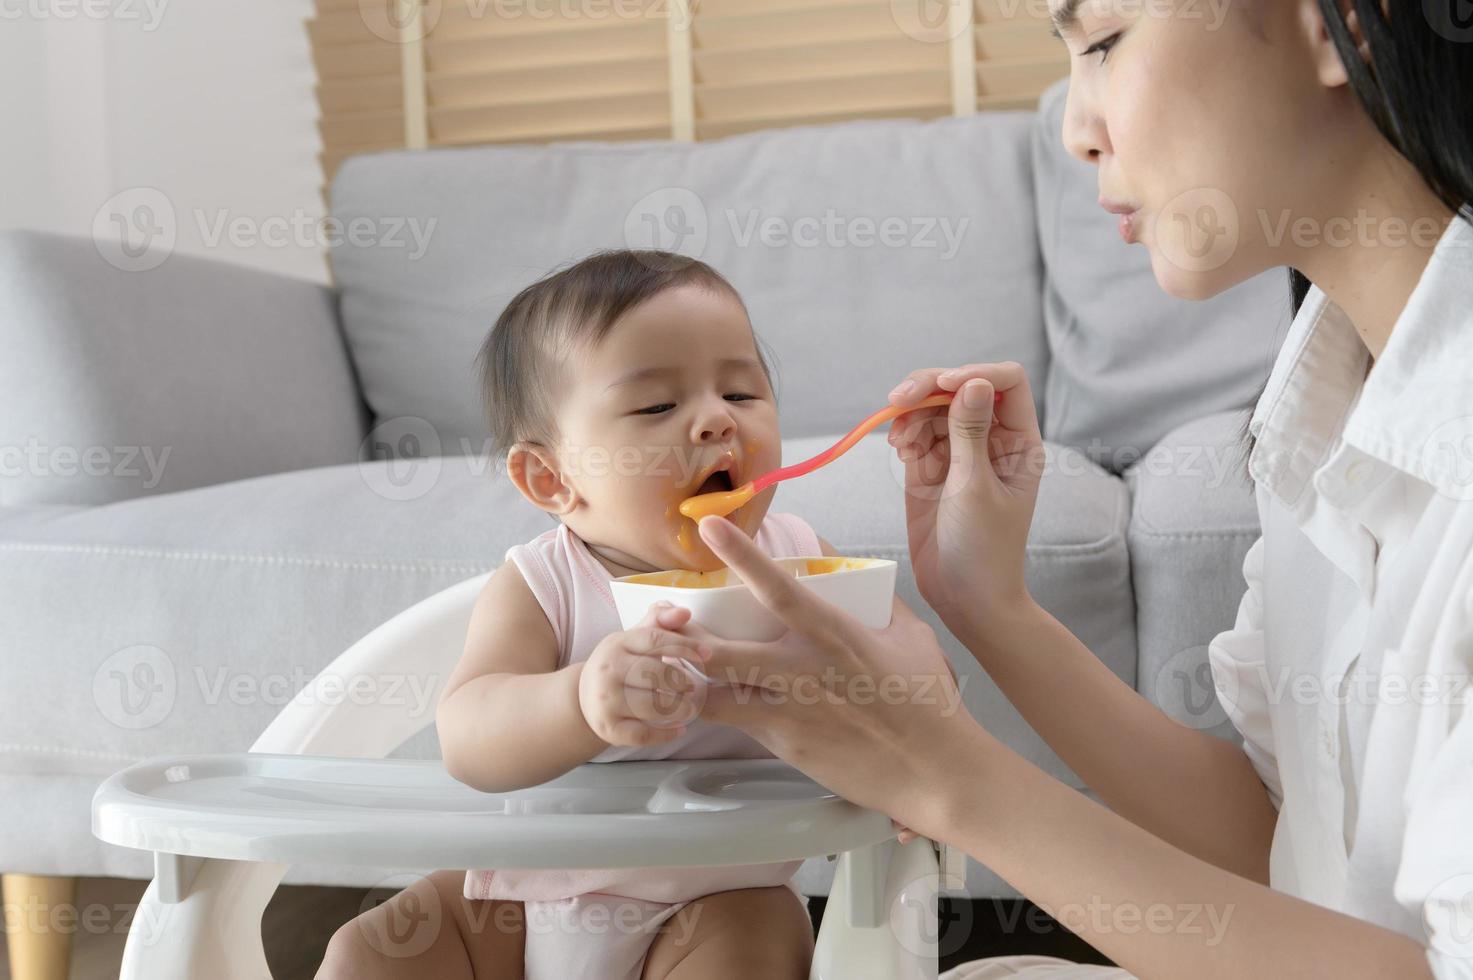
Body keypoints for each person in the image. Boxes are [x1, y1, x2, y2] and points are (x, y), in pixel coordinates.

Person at [657, 1, 1473, 977]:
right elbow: (1278, 838)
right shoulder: (1328, 396)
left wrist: (946, 775)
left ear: (1342, 24)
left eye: (1103, 42)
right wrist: (990, 606)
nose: (1075, 128)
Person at [318, 249, 868, 979]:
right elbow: (469, 737)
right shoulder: (542, 584)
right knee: (370, 949)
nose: (714, 422)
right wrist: (578, 699)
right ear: (551, 478)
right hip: (521, 898)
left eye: (740, 394)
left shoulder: (799, 565)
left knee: (752, 950)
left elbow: (895, 688)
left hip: (718, 896)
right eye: (656, 407)